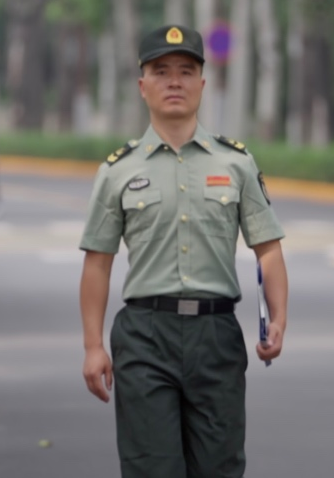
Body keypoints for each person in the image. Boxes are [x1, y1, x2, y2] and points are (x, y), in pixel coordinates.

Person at [78, 24, 289, 478]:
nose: (174, 81)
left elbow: (268, 249)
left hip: (216, 336)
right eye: (161, 71)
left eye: (186, 71)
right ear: (143, 86)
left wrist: (278, 318)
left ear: (202, 84)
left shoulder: (236, 163)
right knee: (152, 468)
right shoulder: (117, 171)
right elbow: (97, 262)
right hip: (144, 338)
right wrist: (93, 346)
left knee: (219, 467)